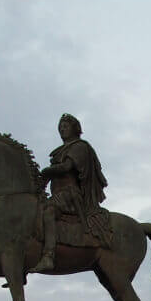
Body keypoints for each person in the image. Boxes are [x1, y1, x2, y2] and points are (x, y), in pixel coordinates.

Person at [29, 113, 112, 272]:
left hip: (70, 195)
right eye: (60, 127)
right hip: (58, 195)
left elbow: (67, 167)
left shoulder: (79, 146)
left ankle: (48, 256)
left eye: (65, 126)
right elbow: (48, 178)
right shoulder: (59, 151)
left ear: (75, 128)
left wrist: (47, 171)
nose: (62, 130)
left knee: (48, 212)